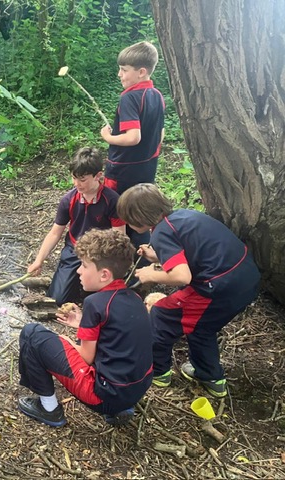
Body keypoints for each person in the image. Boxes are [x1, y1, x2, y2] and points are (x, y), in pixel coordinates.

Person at [117, 184, 261, 397]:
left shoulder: (161, 232)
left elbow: (182, 276)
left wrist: (151, 274)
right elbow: (192, 252)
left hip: (217, 287)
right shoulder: (184, 216)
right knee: (202, 325)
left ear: (139, 217)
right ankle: (210, 375)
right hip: (246, 278)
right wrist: (158, 257)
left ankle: (160, 373)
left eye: (128, 220)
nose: (127, 224)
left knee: (162, 315)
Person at [18, 229, 153, 427]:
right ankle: (124, 408)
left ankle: (49, 409)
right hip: (135, 390)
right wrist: (83, 324)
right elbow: (117, 336)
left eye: (84, 265)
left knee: (32, 335)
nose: (79, 271)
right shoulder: (134, 298)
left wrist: (65, 341)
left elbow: (86, 357)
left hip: (104, 396)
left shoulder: (95, 302)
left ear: (104, 274)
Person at [28, 147, 125, 306]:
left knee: (98, 301)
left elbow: (119, 237)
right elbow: (55, 233)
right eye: (74, 178)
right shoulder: (69, 200)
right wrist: (39, 260)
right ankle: (77, 284)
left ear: (98, 176)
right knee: (57, 299)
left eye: (82, 179)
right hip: (75, 248)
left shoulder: (112, 200)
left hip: (100, 253)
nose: (77, 184)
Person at [100, 40, 165, 250]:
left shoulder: (130, 97)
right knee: (139, 210)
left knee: (118, 211)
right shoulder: (157, 96)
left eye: (124, 70)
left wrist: (108, 137)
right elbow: (161, 133)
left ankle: (116, 254)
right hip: (147, 168)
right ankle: (143, 256)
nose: (119, 74)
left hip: (123, 169)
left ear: (142, 72)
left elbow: (133, 137)